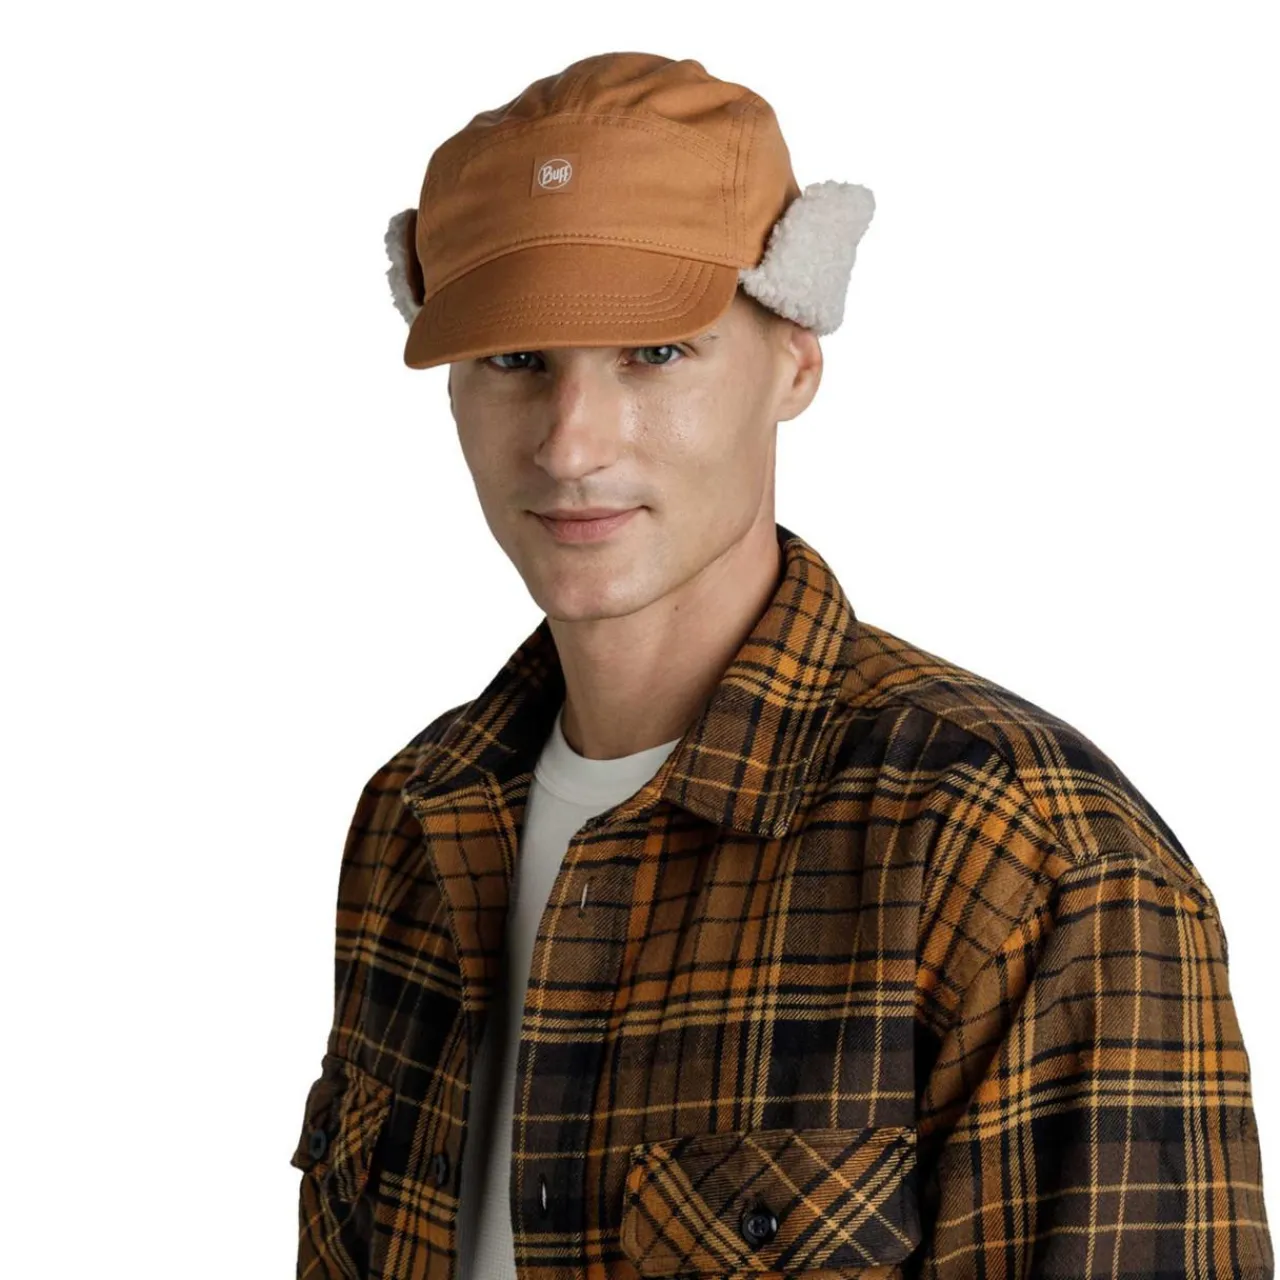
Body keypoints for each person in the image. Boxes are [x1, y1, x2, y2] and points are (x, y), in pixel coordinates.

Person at [289, 50, 1272, 1280]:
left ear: (795, 358)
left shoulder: (1018, 851)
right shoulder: (414, 816)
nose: (571, 443)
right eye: (514, 359)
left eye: (655, 352)